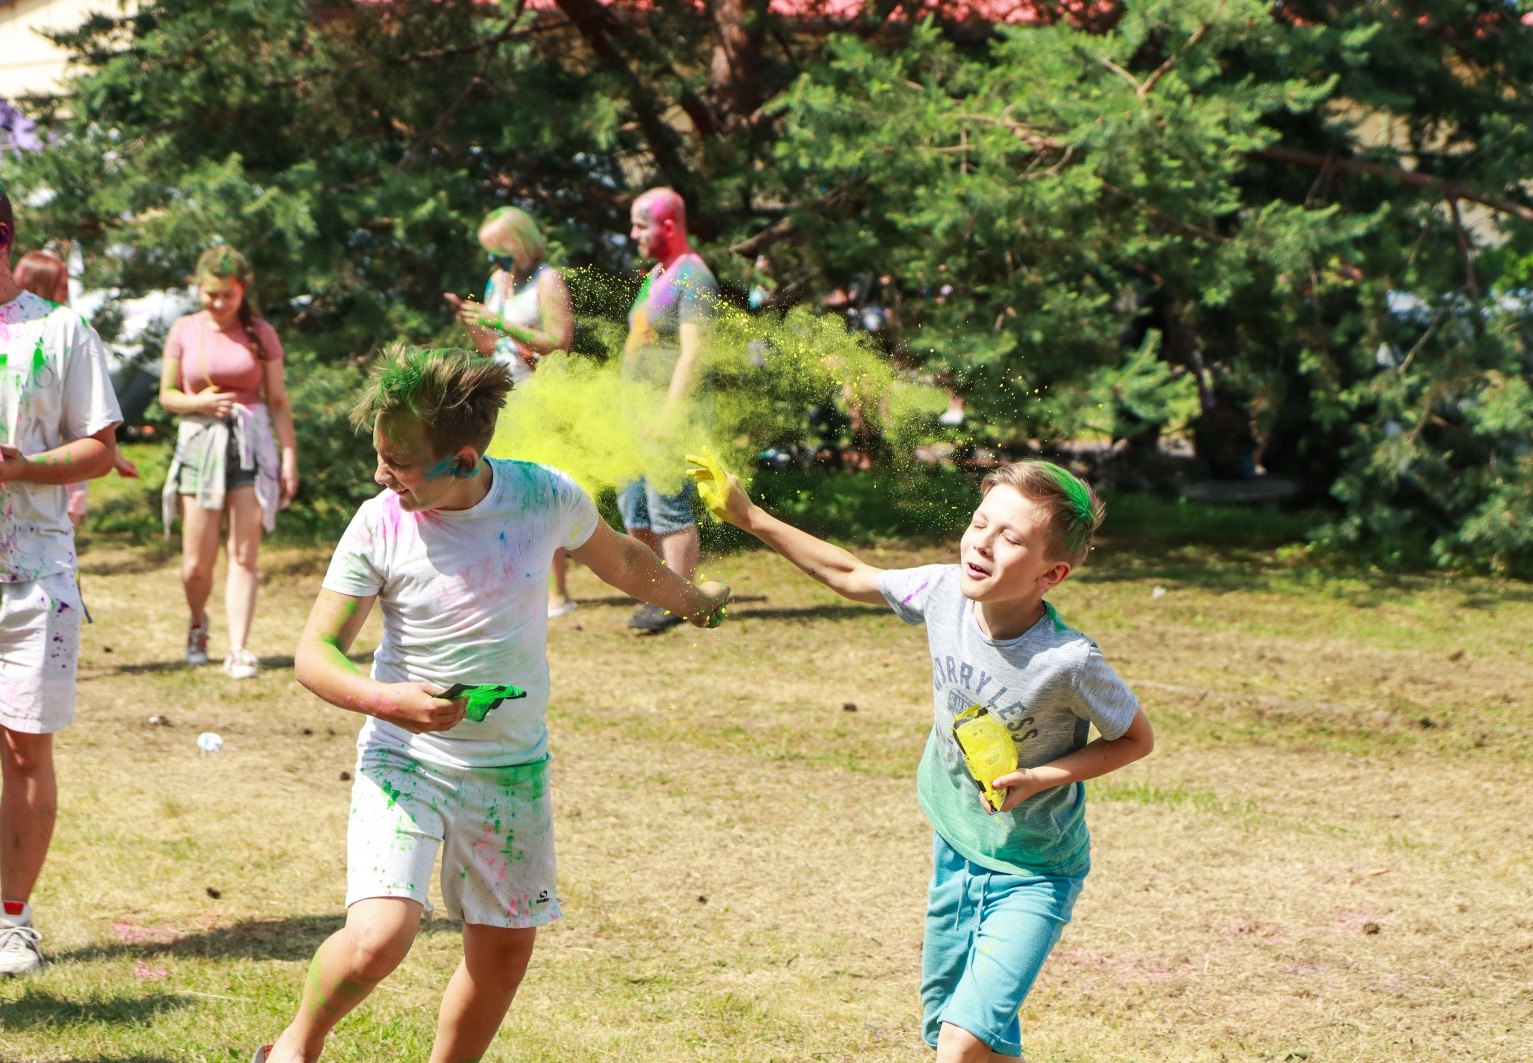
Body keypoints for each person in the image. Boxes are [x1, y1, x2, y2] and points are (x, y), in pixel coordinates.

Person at [253, 346, 728, 1063]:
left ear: (464, 459)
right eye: (380, 454)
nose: (382, 473)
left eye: (400, 461)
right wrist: (393, 702)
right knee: (380, 937)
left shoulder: (544, 498)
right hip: (406, 757)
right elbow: (313, 655)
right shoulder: (380, 523)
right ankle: (294, 1046)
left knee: (504, 953)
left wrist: (693, 601)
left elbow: (623, 559)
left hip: (511, 768)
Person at [688, 455, 1155, 1063]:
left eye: (1010, 537)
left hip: (1035, 871)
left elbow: (1135, 738)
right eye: (980, 522)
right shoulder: (941, 593)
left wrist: (1042, 777)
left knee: (959, 1047)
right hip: (956, 846)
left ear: (1052, 573)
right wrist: (749, 516)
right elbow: (850, 571)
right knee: (953, 1036)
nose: (982, 542)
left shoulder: (1068, 661)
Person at [0, 169, 122, 982]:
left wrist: (19, 467)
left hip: (32, 578)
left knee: (23, 753)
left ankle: (13, 924)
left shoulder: (62, 333)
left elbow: (102, 449)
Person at [159, 245, 297, 679]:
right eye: (211, 294)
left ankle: (238, 649)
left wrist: (289, 457)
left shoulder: (260, 333)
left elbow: (277, 400)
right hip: (201, 444)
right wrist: (195, 401)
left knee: (244, 555)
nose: (219, 304)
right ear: (198, 289)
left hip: (252, 445)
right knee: (196, 563)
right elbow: (167, 394)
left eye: (228, 295)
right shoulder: (184, 330)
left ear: (243, 291)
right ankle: (198, 622)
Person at [444, 206, 578, 618]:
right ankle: (516, 586)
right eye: (491, 254)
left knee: (542, 494)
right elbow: (489, 346)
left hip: (540, 398)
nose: (496, 262)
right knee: (502, 492)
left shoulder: (548, 279)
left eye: (501, 252)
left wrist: (499, 321)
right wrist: (469, 320)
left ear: (521, 244)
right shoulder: (497, 282)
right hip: (501, 401)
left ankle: (558, 592)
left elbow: (560, 341)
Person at [618, 187, 717, 633]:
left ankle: (680, 600)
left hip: (668, 415)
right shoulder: (656, 274)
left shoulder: (694, 277)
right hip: (636, 414)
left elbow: (694, 354)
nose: (633, 233)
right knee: (634, 508)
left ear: (668, 226)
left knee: (667, 509)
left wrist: (669, 414)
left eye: (641, 224)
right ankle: (657, 592)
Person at [11, 250, 138, 523]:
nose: (67, 293)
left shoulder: (71, 331)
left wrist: (114, 457)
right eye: (63, 285)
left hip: (68, 465)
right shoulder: (20, 338)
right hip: (27, 469)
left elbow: (89, 418)